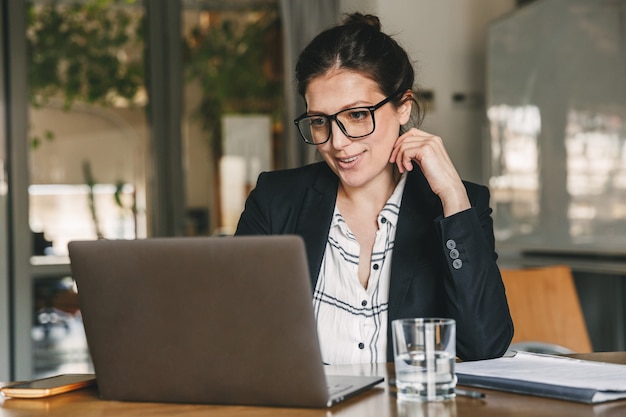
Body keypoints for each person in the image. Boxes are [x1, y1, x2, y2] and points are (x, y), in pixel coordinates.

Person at [235, 12, 513, 364]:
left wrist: (454, 200)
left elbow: (485, 345)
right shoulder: (275, 201)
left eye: (356, 115)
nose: (337, 142)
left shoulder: (460, 205)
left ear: (403, 107)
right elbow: (237, 333)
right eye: (320, 121)